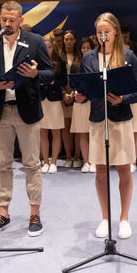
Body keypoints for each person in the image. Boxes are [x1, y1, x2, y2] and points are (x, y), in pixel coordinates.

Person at [0, 0, 53, 238]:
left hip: (27, 110)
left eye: (11, 20)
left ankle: (35, 214)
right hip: (0, 110)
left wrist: (35, 73)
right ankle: (3, 212)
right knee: (2, 164)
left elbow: (50, 73)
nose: (7, 23)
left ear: (21, 20)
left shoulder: (35, 41)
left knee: (32, 163)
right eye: (3, 19)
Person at [76, 12, 137, 240]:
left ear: (116, 32)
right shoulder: (88, 57)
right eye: (99, 32)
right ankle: (105, 218)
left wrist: (123, 98)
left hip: (120, 118)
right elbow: (86, 87)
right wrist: (80, 96)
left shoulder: (128, 55)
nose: (102, 36)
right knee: (101, 170)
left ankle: (124, 218)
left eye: (106, 32)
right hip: (98, 118)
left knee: (123, 169)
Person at [39, 35, 66, 173]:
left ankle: (54, 162)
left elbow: (64, 81)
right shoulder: (37, 61)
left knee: (56, 131)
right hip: (41, 99)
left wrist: (53, 82)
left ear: (53, 47)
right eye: (45, 47)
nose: (47, 50)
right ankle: (45, 162)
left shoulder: (60, 61)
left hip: (54, 99)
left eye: (49, 47)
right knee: (42, 132)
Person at [71, 37, 95, 173]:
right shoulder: (76, 63)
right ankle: (86, 161)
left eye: (88, 47)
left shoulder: (95, 63)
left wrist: (88, 94)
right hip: (80, 102)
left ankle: (94, 160)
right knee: (82, 133)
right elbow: (73, 82)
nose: (85, 50)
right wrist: (76, 92)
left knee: (94, 133)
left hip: (93, 101)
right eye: (83, 47)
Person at [60, 30, 79, 168]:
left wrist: (73, 92)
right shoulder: (58, 56)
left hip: (76, 94)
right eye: (66, 39)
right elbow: (55, 76)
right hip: (62, 94)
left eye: (71, 39)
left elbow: (81, 76)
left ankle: (77, 156)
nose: (69, 42)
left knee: (77, 127)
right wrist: (63, 93)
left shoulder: (80, 57)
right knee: (65, 127)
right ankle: (68, 156)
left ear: (75, 40)